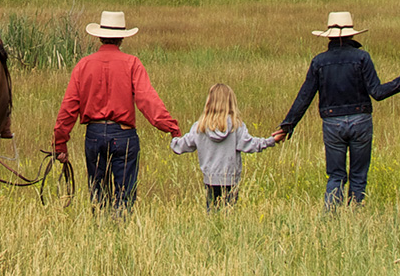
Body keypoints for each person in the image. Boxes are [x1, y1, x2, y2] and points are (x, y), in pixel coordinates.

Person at [271, 12, 400, 207]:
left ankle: (331, 218)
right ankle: (354, 217)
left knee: (335, 175)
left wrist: (287, 127)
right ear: (351, 35)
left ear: (329, 36)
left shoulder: (319, 61)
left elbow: (304, 96)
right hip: (361, 121)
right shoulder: (362, 58)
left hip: (332, 123)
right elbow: (377, 92)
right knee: (358, 175)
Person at [52, 11, 181, 212]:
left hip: (94, 135)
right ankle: (121, 232)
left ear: (100, 36)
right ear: (122, 38)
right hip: (124, 135)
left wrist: (60, 142)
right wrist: (171, 128)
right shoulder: (132, 64)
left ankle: (101, 233)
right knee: (125, 195)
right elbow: (147, 100)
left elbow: (69, 107)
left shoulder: (84, 65)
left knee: (98, 193)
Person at [170, 83, 278, 208]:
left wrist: (173, 135)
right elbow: (251, 144)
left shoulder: (200, 127)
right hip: (231, 180)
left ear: (209, 102)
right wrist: (271, 141)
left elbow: (181, 146)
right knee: (229, 215)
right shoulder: (236, 126)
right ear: (231, 102)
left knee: (212, 213)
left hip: (210, 180)